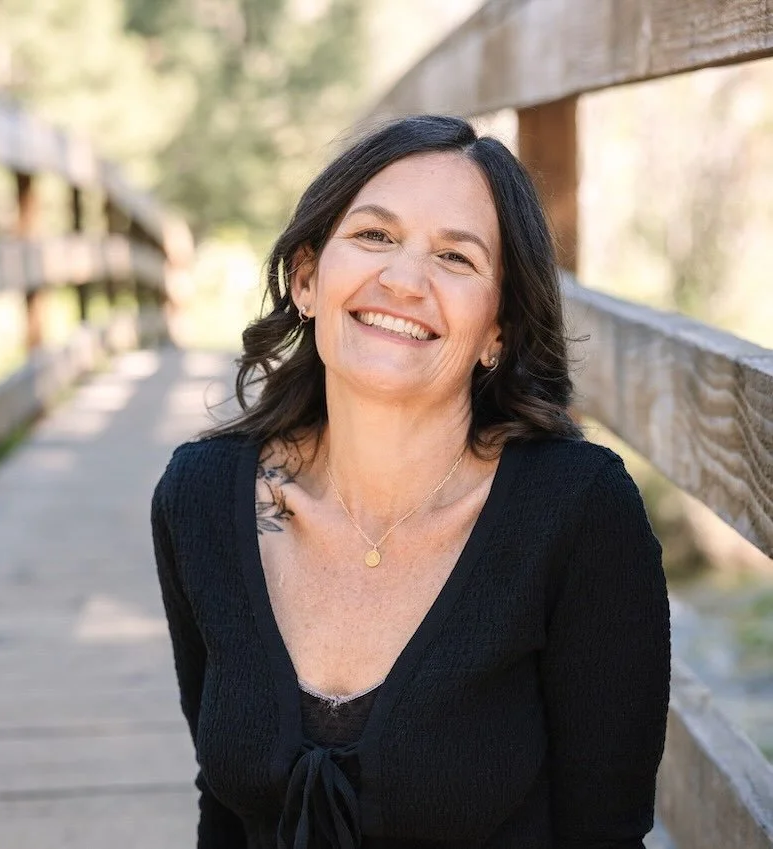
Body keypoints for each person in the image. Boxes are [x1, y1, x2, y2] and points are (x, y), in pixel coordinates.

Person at [151, 114, 671, 849]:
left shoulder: (577, 512)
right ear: (306, 278)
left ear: (498, 330)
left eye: (455, 258)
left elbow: (604, 832)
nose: (402, 280)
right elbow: (226, 806)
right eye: (374, 236)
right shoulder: (201, 496)